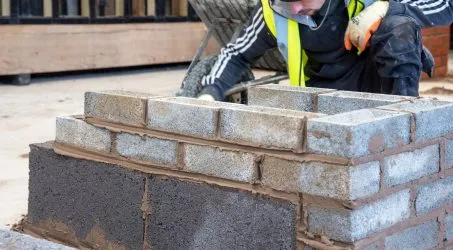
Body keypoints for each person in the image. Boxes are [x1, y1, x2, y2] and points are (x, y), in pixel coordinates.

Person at [196, 0, 453, 101]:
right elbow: (236, 54)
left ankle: (407, 120)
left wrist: (387, 7)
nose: (294, 10)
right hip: (321, 94)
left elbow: (444, 4)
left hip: (381, 87)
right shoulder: (276, 10)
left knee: (399, 26)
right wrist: (210, 93)